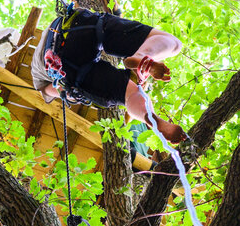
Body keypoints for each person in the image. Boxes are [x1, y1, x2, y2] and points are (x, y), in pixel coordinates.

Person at [30, 8, 186, 143]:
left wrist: (70, 95)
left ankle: (150, 113)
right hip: (81, 24)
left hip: (70, 62)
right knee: (174, 44)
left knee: (128, 94)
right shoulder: (44, 41)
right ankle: (143, 55)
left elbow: (56, 89)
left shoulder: (37, 77)